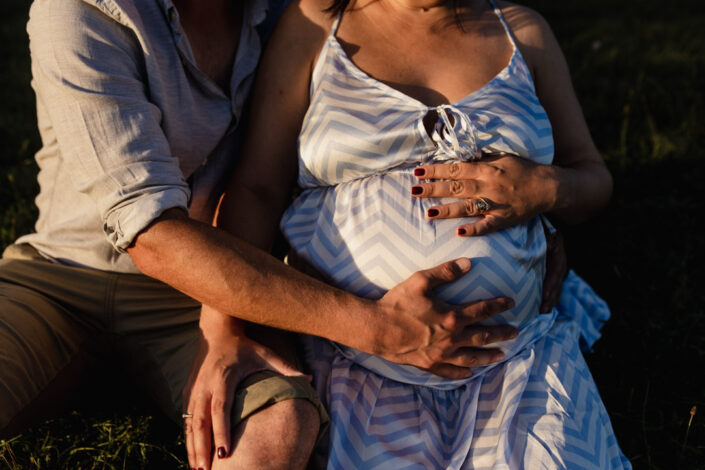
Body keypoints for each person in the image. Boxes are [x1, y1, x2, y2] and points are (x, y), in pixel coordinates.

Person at [0, 0, 535, 469]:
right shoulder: (81, 10)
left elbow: (403, 120)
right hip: (64, 277)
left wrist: (530, 223)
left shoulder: (296, 11)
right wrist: (376, 328)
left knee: (280, 430)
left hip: (228, 284)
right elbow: (151, 232)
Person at [200, 0, 632, 467]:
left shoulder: (521, 30)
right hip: (356, 361)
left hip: (514, 362)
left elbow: (594, 179)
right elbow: (258, 188)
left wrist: (544, 187)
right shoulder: (315, 24)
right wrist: (222, 327)